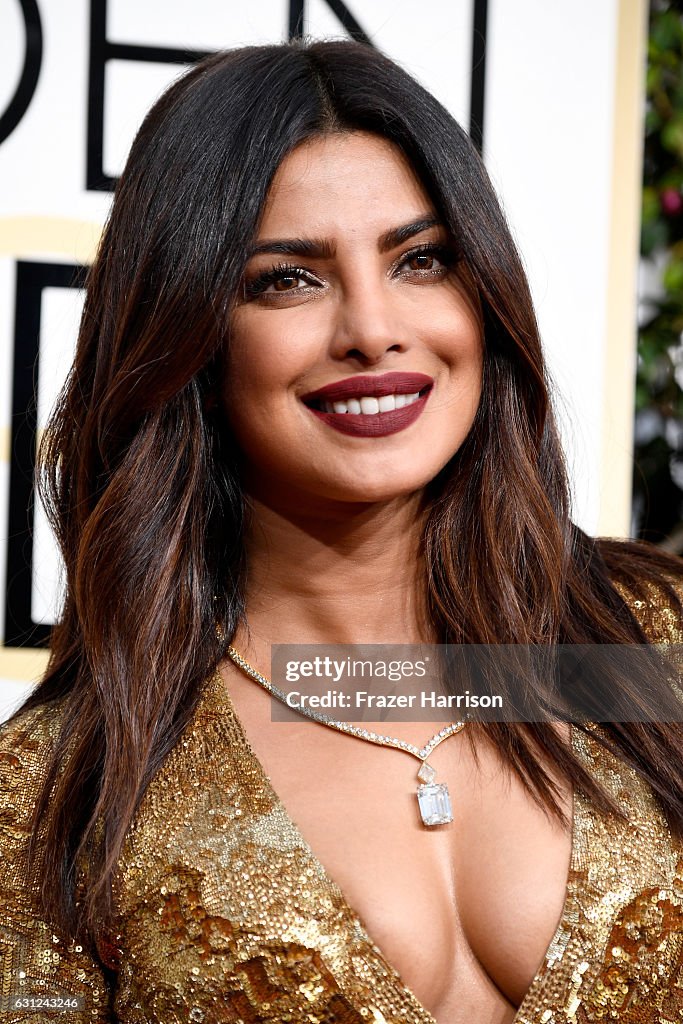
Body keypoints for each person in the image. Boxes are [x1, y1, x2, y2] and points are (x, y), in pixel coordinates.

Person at [1, 39, 683, 1024]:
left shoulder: (637, 645)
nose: (371, 327)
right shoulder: (69, 783)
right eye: (288, 279)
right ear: (188, 332)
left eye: (420, 260)